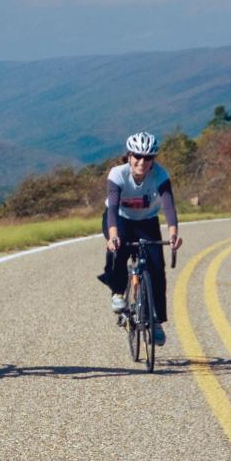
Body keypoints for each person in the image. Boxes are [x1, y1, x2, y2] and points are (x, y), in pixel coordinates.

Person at [99, 131, 182, 346]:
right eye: (137, 156)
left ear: (154, 159)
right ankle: (117, 291)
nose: (142, 161)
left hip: (147, 221)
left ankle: (156, 322)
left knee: (156, 269)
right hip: (119, 219)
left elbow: (169, 207)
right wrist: (113, 236)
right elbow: (113, 208)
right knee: (116, 250)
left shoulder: (160, 175)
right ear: (129, 155)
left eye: (148, 157)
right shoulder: (118, 174)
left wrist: (173, 234)